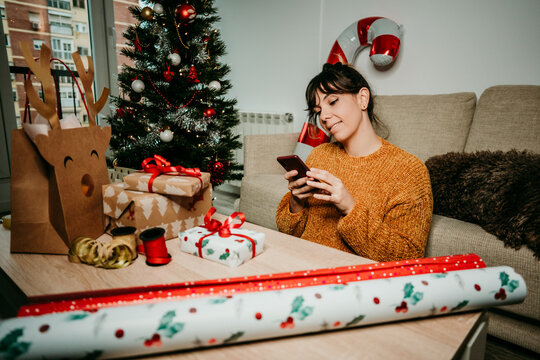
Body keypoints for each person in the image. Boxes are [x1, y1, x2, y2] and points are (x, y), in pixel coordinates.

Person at [275, 62, 433, 262]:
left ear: (362, 98)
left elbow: (408, 257)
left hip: (354, 284)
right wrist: (296, 201)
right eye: (318, 110)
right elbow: (288, 233)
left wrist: (349, 207)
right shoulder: (319, 155)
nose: (323, 117)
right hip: (301, 265)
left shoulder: (409, 171)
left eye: (332, 102)